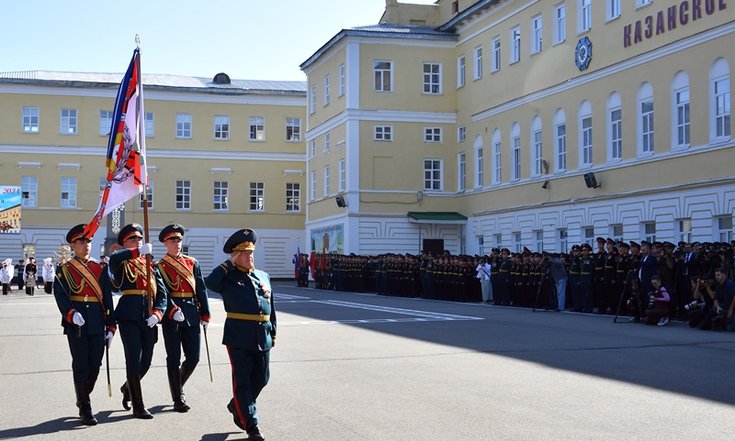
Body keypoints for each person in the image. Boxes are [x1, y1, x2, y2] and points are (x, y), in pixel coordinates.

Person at [205, 228, 276, 441]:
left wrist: (273, 332)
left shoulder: (263, 276)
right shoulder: (228, 277)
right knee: (243, 382)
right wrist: (228, 263)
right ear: (235, 256)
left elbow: (271, 306)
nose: (249, 256)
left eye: (251, 252)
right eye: (244, 253)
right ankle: (252, 425)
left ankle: (236, 404)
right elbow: (210, 283)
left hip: (262, 335)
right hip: (239, 336)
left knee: (262, 378)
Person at [53, 224, 116, 425]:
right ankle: (85, 406)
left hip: (97, 320)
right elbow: (61, 295)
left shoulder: (100, 267)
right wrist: (70, 314)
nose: (86, 245)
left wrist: (111, 326)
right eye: (81, 242)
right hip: (77, 322)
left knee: (95, 364)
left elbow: (107, 297)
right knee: (81, 364)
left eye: (88, 241)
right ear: (73, 245)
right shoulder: (65, 269)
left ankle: (82, 394)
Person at [108, 223, 167, 419]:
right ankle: (138, 406)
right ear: (125, 243)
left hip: (148, 315)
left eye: (140, 239)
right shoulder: (122, 260)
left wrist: (158, 314)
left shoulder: (150, 263)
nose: (138, 242)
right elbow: (114, 259)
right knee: (133, 359)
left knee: (146, 361)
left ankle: (127, 387)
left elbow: (162, 293)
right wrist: (136, 251)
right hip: (129, 315)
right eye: (133, 239)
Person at [156, 224, 211, 413]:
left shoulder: (192, 262)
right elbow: (161, 294)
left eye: (179, 239)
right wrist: (172, 310)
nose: (177, 243)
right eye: (172, 240)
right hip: (172, 316)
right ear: (165, 243)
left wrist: (205, 313)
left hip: (192, 314)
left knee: (194, 357)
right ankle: (178, 397)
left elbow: (201, 289)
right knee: (174, 358)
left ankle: (176, 384)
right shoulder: (160, 266)